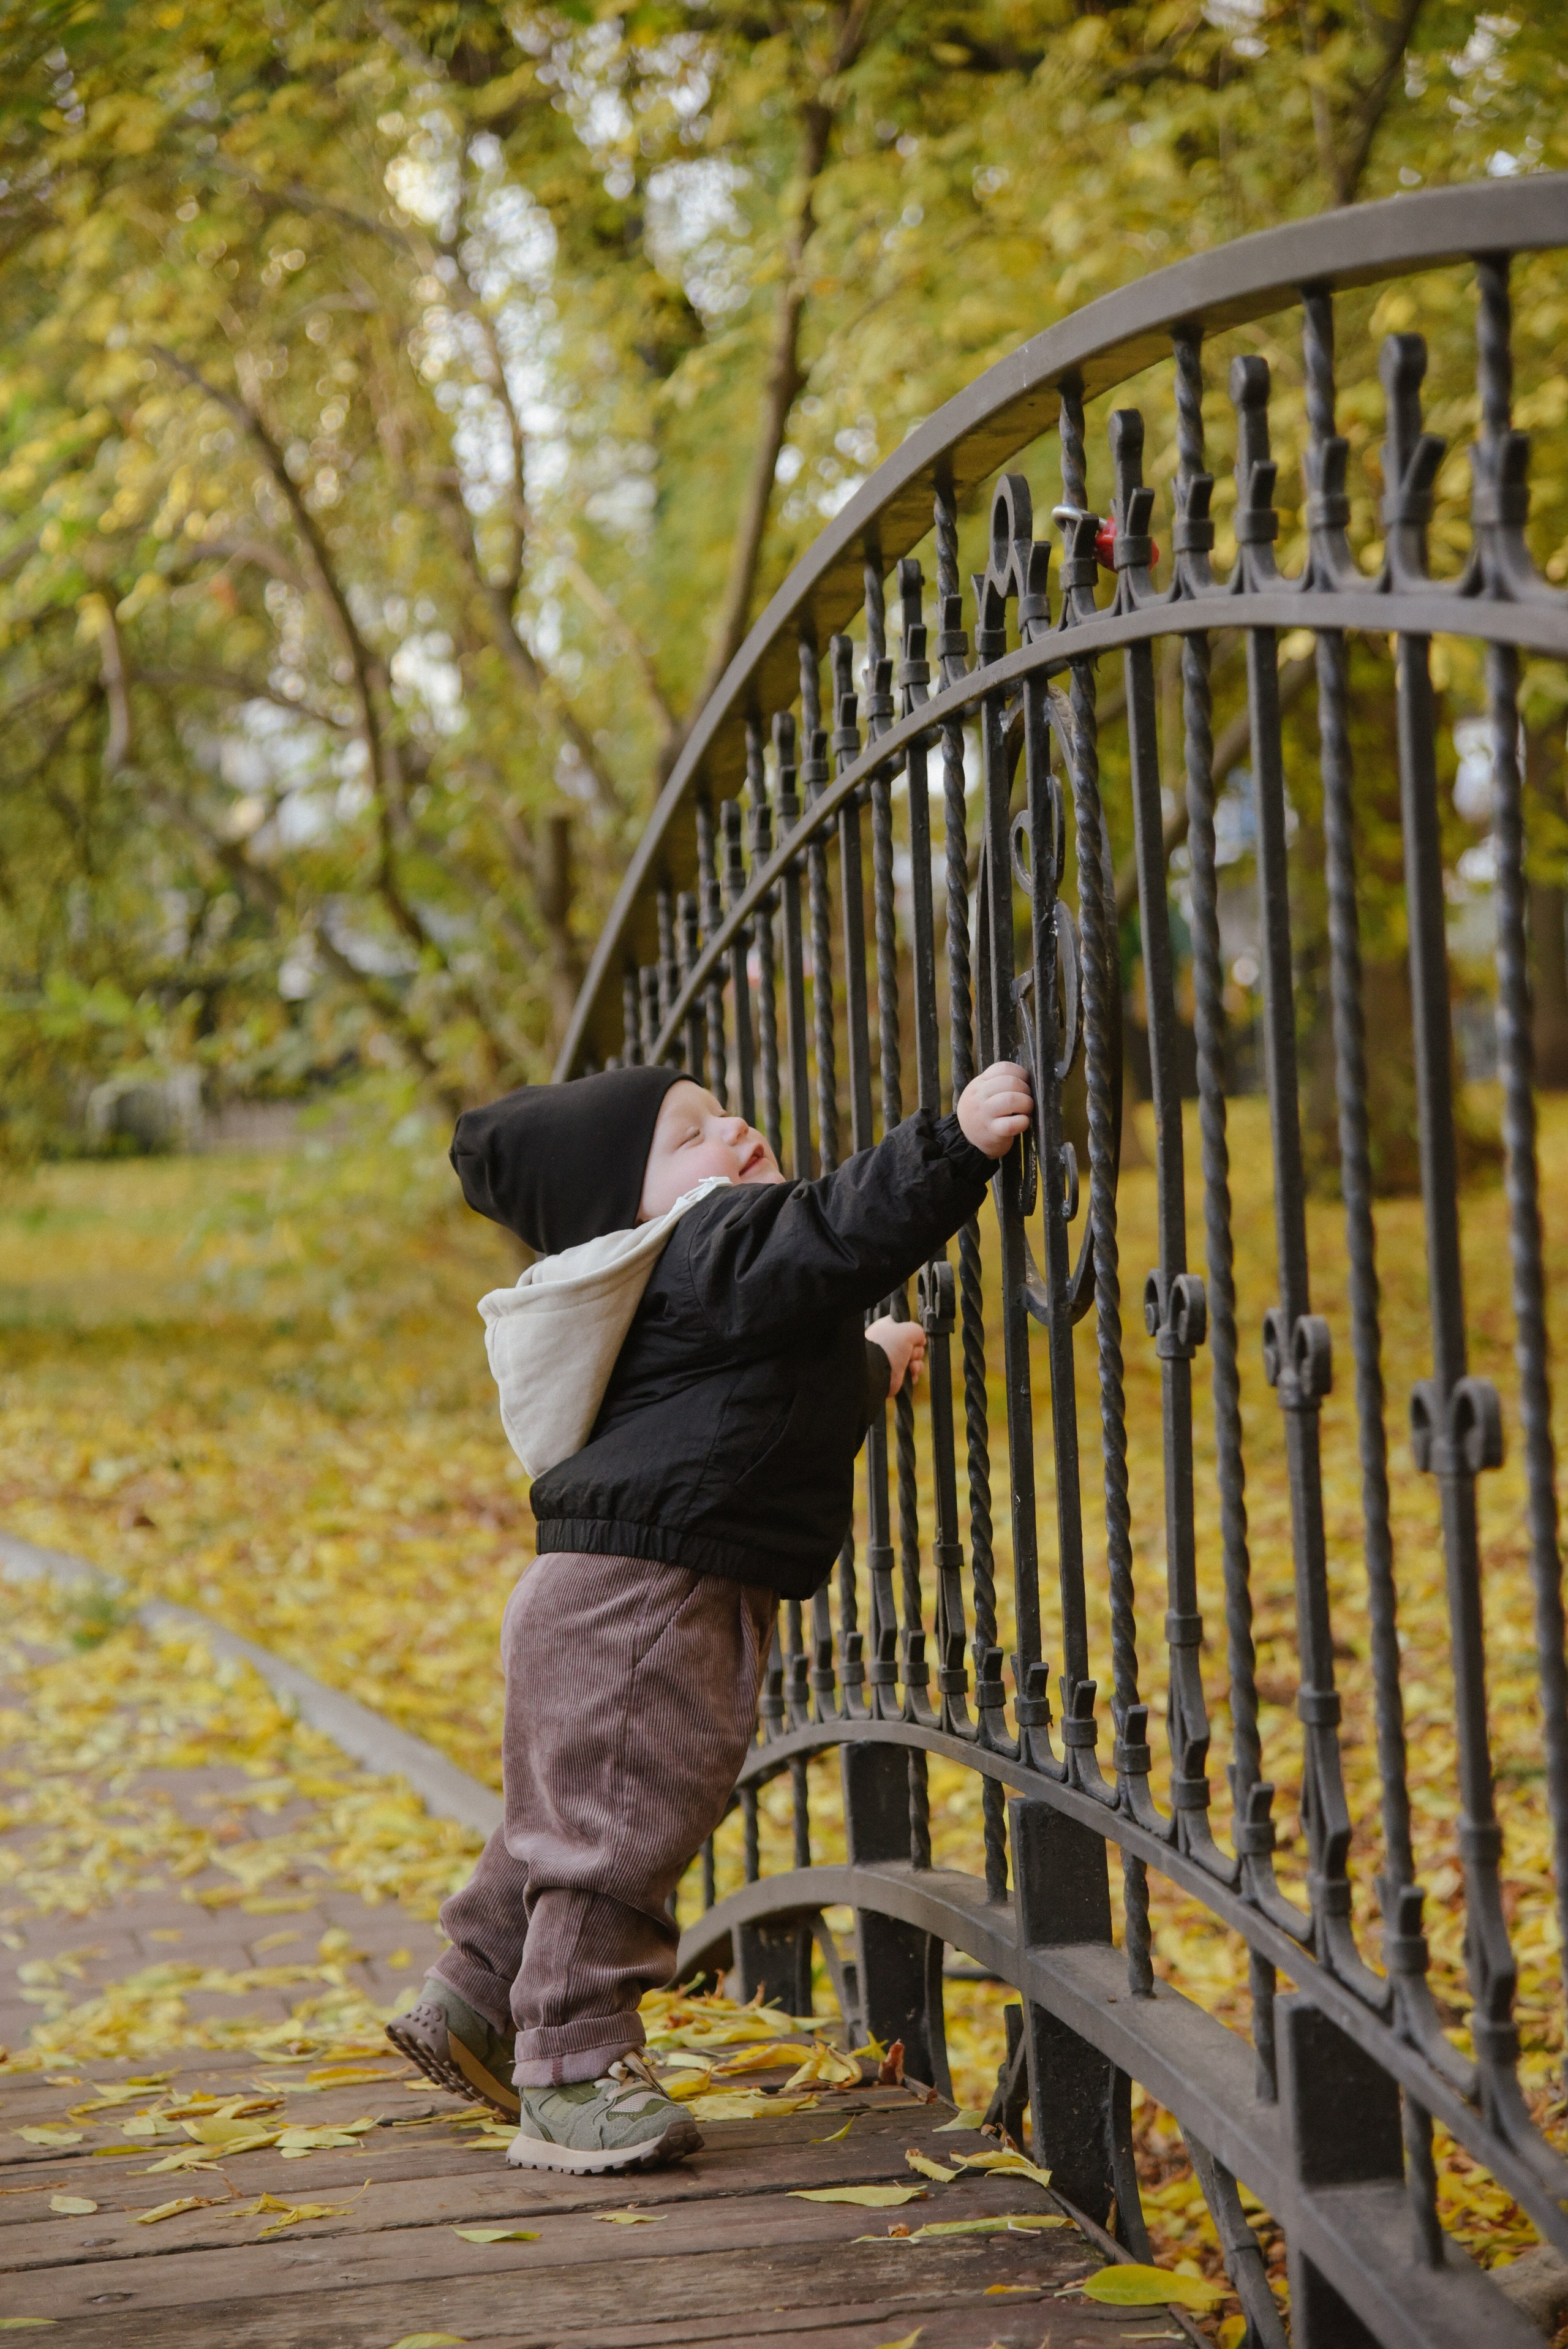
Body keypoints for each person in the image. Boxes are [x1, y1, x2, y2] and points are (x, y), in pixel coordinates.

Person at [388, 1055, 1033, 2176]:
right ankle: (576, 2072)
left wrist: (870, 1369)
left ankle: (474, 2000)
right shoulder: (713, 1243)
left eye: (724, 1112)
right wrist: (955, 1144)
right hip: (645, 1601)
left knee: (563, 1815)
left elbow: (761, 1393)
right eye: (689, 1137)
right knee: (617, 1829)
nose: (732, 1132)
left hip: (598, 1592)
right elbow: (832, 1235)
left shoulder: (680, 1286)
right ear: (630, 1209)